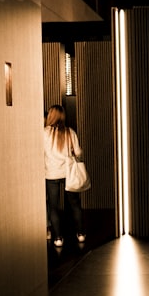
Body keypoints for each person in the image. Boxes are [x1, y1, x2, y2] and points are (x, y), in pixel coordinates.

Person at [44, 104, 86, 248]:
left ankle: (58, 238)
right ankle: (80, 234)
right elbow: (79, 153)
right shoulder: (70, 132)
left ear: (51, 116)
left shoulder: (44, 133)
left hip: (51, 173)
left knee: (53, 207)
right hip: (69, 173)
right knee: (74, 204)